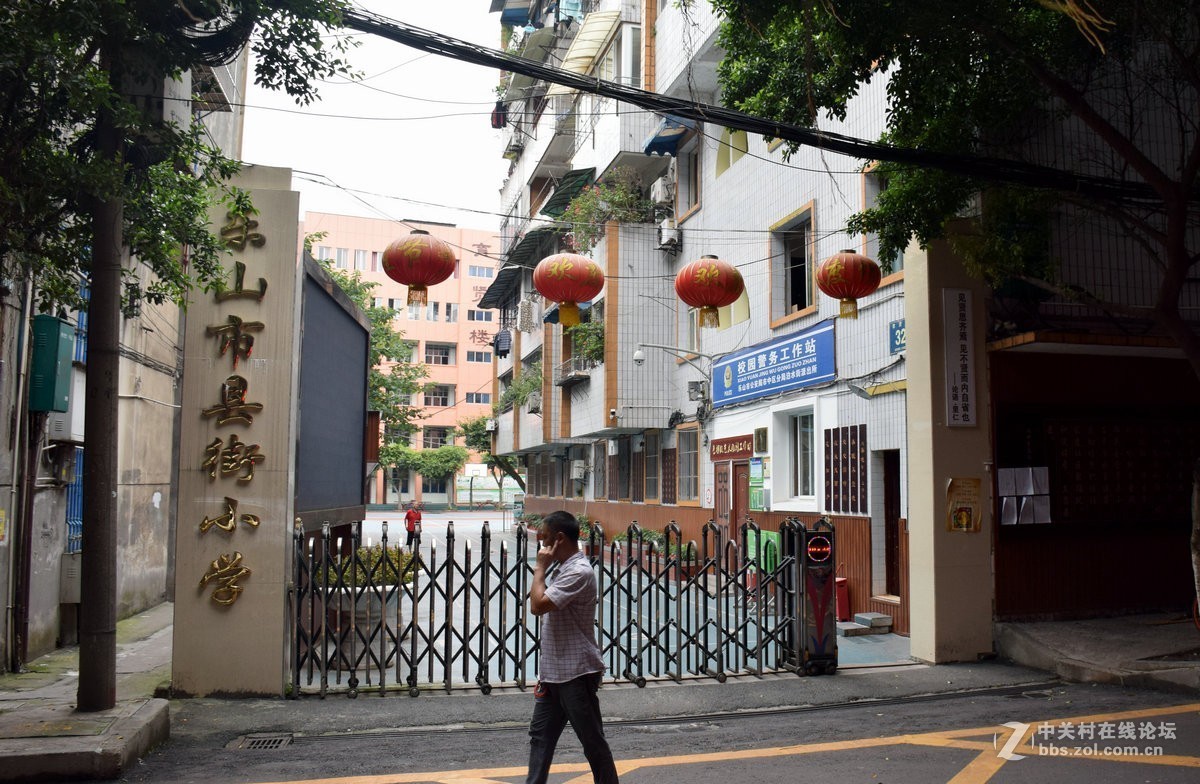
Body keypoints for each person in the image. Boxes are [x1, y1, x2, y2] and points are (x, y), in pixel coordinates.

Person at [525, 510, 619, 784]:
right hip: (555, 673)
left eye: (545, 539)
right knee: (540, 738)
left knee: (593, 743)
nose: (542, 546)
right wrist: (544, 675)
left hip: (576, 674)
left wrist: (540, 568)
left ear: (560, 538)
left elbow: (538, 606)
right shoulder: (565, 567)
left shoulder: (578, 571)